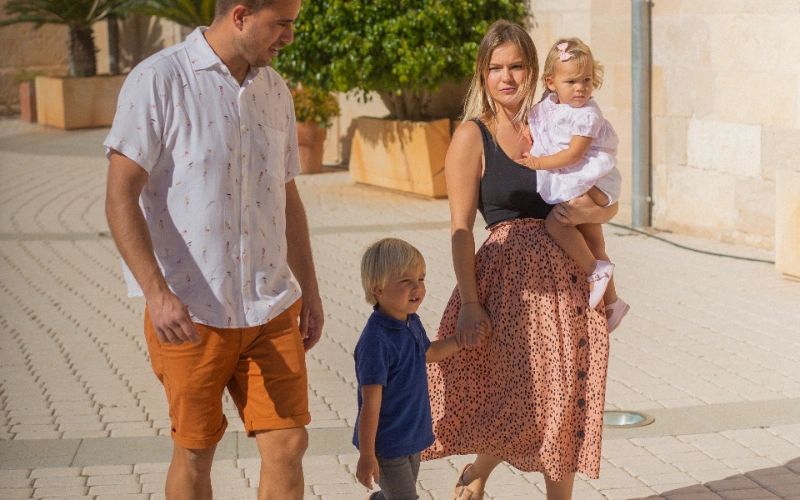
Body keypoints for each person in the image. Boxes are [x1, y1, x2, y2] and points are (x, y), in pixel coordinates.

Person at [103, 1, 324, 499]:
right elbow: (120, 195)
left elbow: (286, 197)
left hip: (269, 305)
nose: (289, 37)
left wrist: (309, 290)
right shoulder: (159, 79)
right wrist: (156, 295)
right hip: (189, 313)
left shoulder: (274, 89)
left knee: (288, 443)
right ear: (241, 15)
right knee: (196, 450)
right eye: (281, 24)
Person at [422, 20, 618, 500]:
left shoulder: (555, 122)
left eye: (516, 66)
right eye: (495, 68)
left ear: (535, 70)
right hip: (506, 283)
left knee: (562, 398)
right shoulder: (472, 136)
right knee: (517, 392)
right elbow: (461, 229)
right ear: (482, 74)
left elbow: (602, 195)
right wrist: (470, 302)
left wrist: (605, 210)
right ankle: (479, 471)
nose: (506, 77)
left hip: (568, 280)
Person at [354, 238, 487, 500]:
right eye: (406, 281)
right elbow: (369, 404)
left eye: (421, 279)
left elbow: (427, 353)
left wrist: (460, 342)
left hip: (413, 434)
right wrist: (367, 455)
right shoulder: (375, 341)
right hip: (388, 443)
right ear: (376, 287)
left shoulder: (410, 322)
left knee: (397, 494)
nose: (418, 287)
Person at [518, 37, 629, 330]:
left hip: (591, 177)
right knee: (594, 240)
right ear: (551, 83)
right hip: (579, 177)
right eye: (571, 81)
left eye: (587, 80)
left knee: (558, 223)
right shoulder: (549, 104)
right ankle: (614, 304)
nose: (580, 87)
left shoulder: (587, 115)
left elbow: (573, 154)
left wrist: (538, 163)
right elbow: (545, 127)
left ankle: (595, 270)